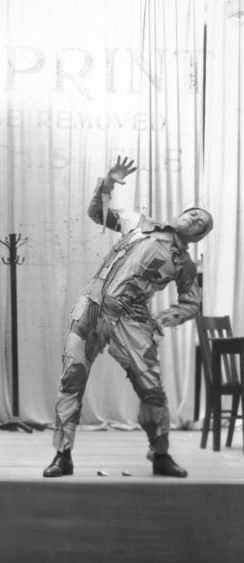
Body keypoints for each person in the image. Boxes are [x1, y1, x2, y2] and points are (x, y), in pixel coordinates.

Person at [43, 156, 213, 479]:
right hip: (92, 306)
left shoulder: (184, 264)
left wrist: (164, 318)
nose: (193, 220)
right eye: (193, 213)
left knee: (152, 388)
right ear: (182, 212)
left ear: (198, 238)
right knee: (71, 377)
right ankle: (62, 454)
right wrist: (108, 183)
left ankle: (161, 455)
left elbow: (192, 302)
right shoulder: (140, 222)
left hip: (132, 320)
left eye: (200, 224)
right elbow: (98, 214)